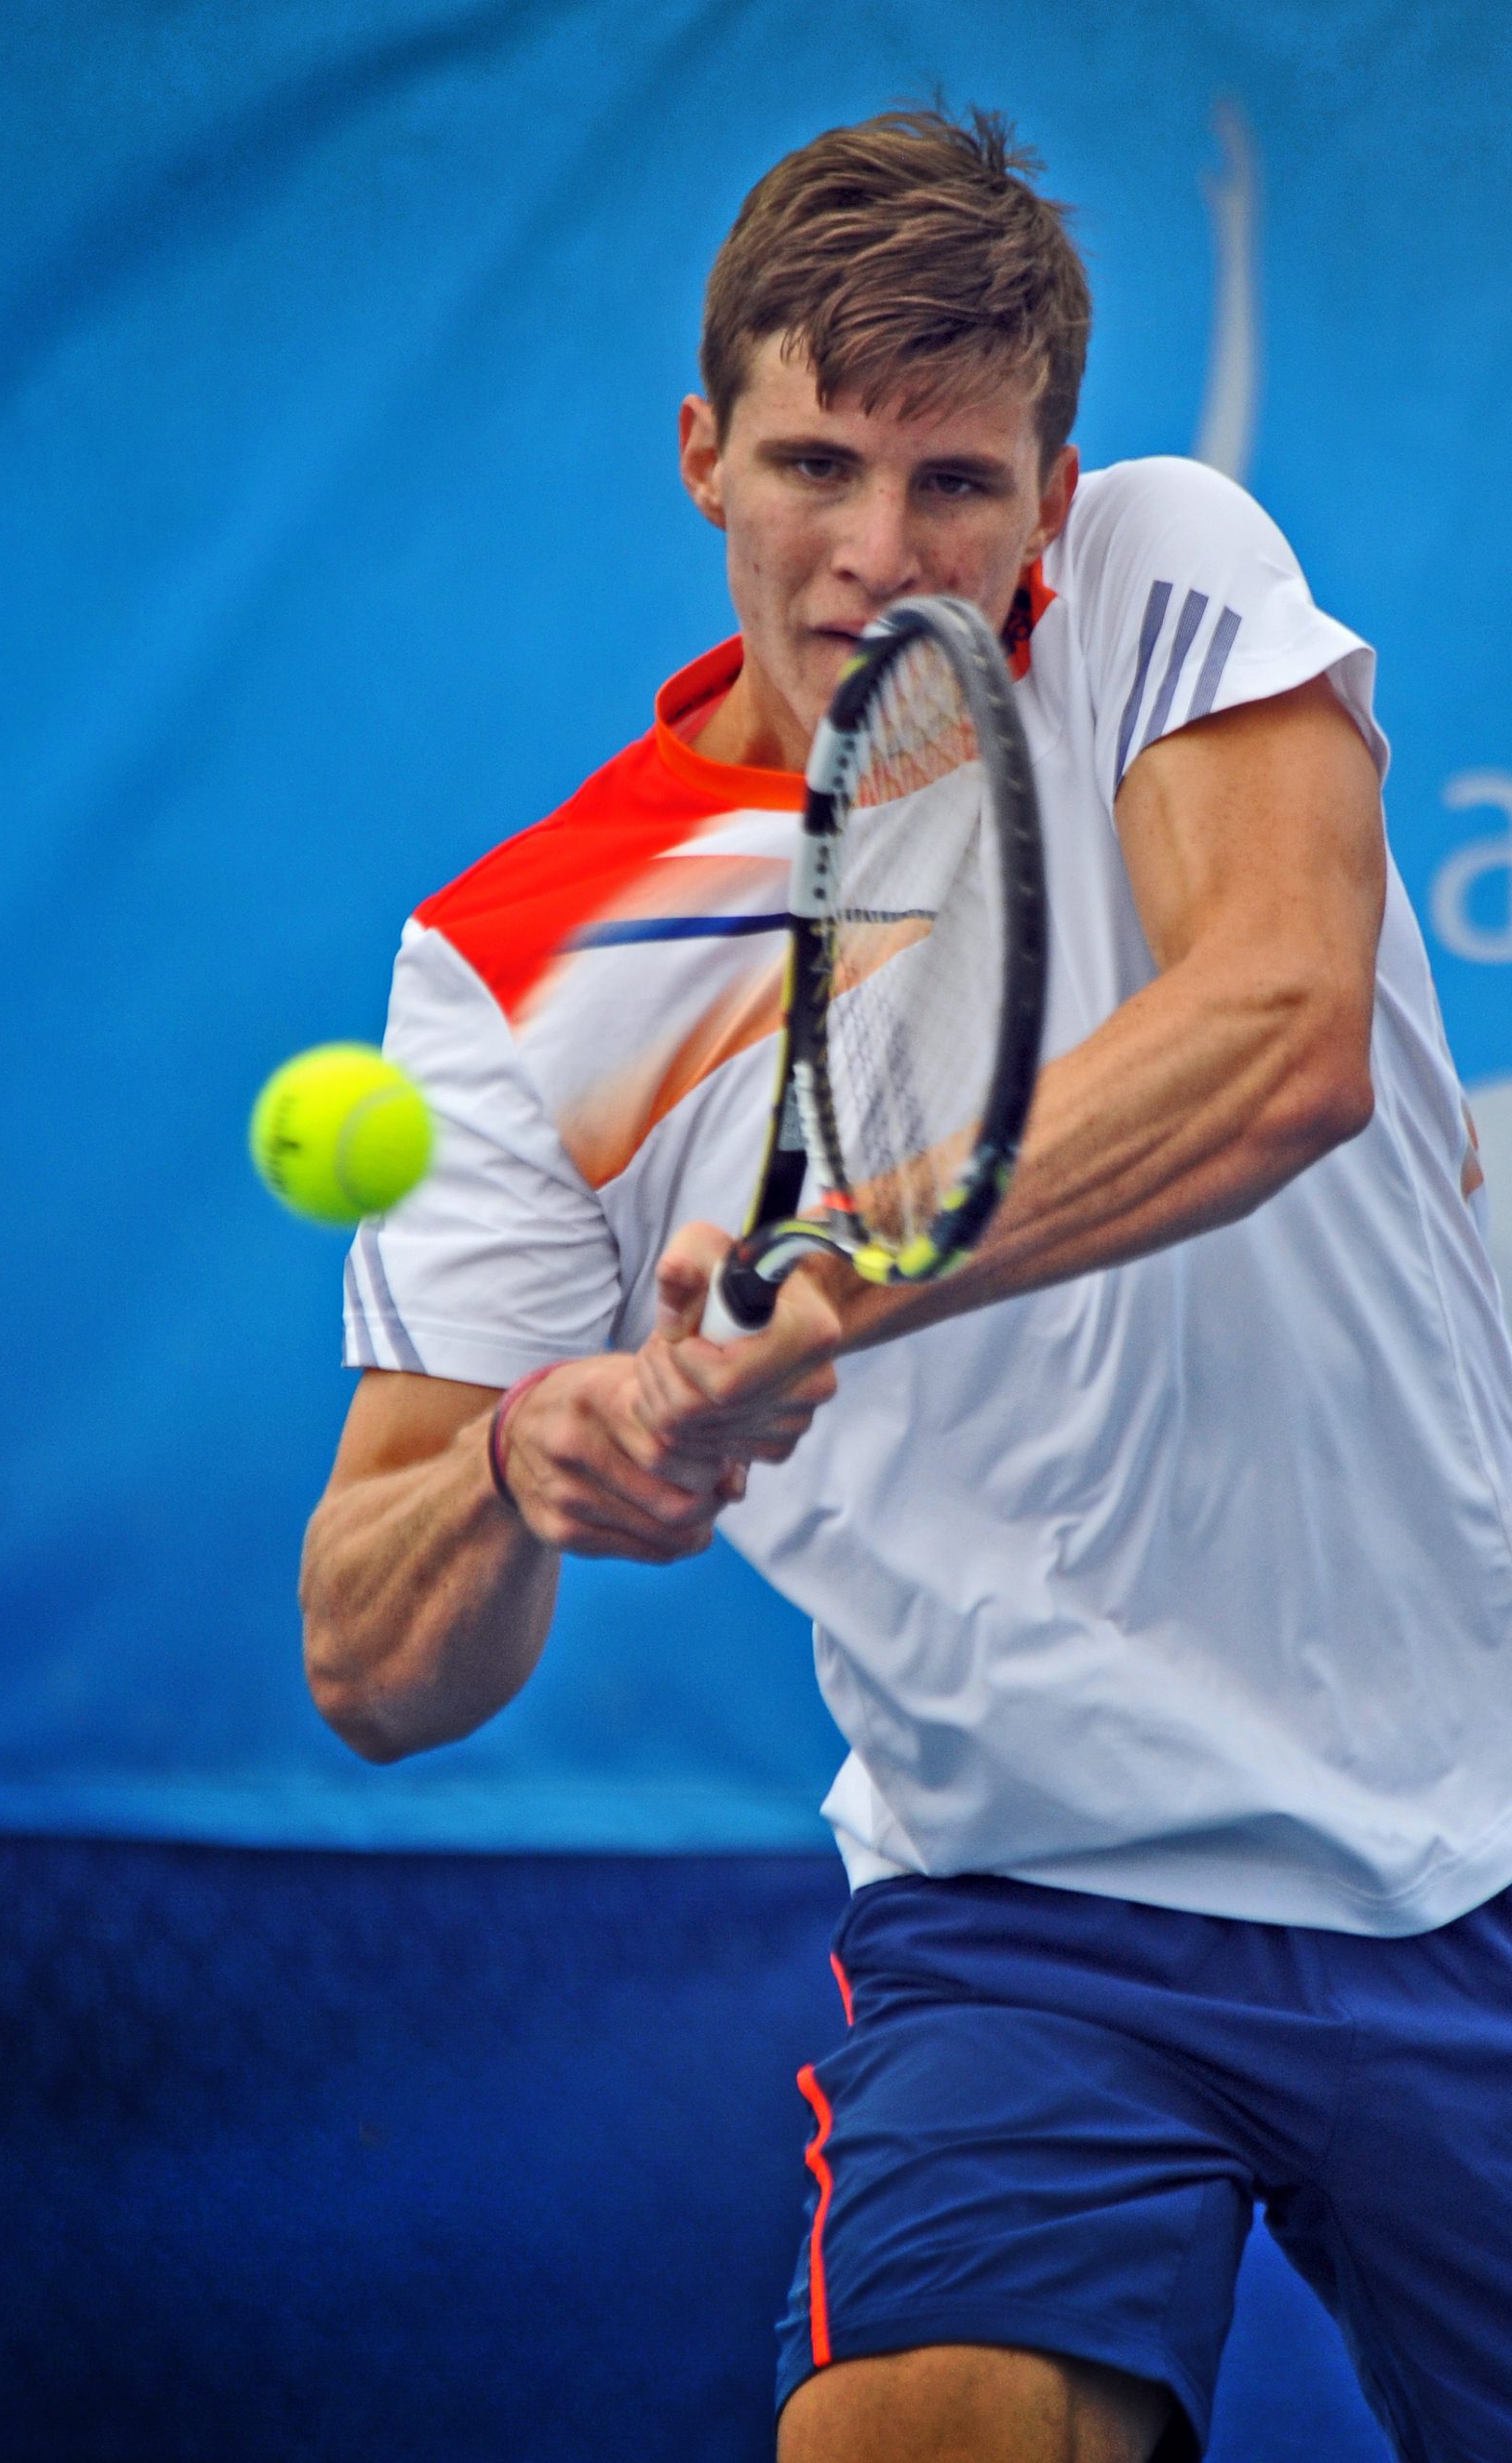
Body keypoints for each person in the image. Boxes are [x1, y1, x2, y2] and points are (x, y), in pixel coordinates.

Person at [300, 108, 1512, 2463]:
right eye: (813, 465)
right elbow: (367, 1652)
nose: (877, 551)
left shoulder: (1160, 567)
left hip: (1479, 1827)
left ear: (1053, 488)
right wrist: (525, 1467)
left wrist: (832, 1275)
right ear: (701, 453)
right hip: (1025, 1911)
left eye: (956, 480)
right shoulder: (518, 971)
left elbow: (1282, 1034)